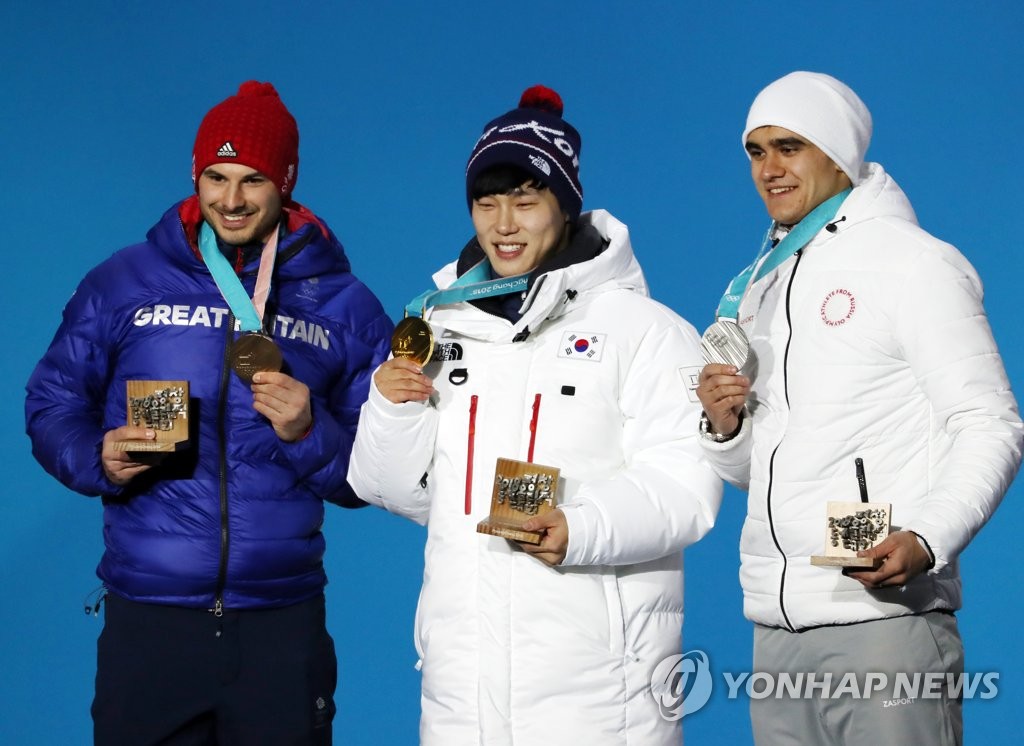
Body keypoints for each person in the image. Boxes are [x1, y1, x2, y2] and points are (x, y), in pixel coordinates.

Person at [347, 85, 722, 745]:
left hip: (600, 698)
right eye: (486, 203)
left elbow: (687, 490)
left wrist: (579, 528)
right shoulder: (444, 329)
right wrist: (392, 407)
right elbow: (396, 490)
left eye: (525, 200)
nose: (503, 224)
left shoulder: (647, 331)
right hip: (463, 695)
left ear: (565, 205)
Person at [25, 81, 392, 745]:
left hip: (281, 624)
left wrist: (311, 432)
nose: (229, 200)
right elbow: (51, 402)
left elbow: (384, 470)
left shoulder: (344, 306)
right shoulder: (124, 283)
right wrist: (96, 456)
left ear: (285, 180)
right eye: (215, 177)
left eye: (251, 180)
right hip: (150, 620)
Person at [696, 71, 1023, 745]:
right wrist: (726, 427)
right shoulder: (757, 286)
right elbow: (762, 467)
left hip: (883, 626)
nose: (770, 169)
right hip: (778, 632)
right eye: (755, 151)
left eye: (789, 146)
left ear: (838, 153)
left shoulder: (914, 264)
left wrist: (929, 538)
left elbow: (991, 423)